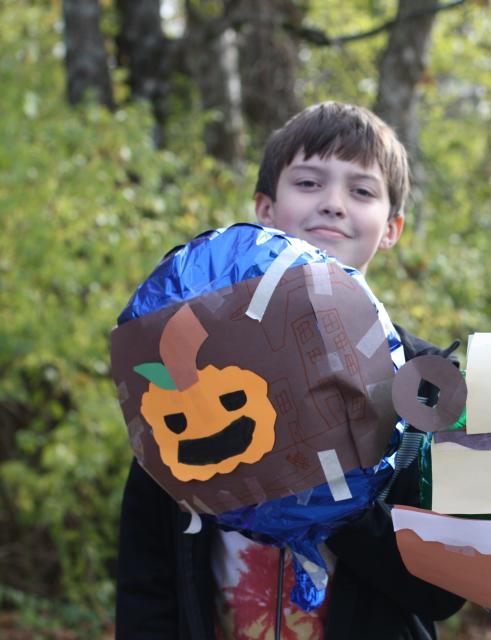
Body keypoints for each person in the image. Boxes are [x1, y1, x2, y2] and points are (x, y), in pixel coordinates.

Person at [115, 101, 464, 639]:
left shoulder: (423, 383)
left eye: (362, 191)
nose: (333, 204)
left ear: (391, 228)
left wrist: (322, 497)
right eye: (308, 182)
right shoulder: (190, 364)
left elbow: (441, 591)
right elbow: (149, 564)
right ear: (265, 208)